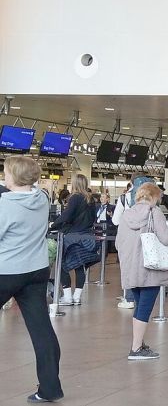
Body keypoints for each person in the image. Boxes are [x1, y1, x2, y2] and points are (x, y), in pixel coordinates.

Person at [0, 156, 64, 403]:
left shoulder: (5, 206)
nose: (4, 176)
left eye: (6, 172)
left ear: (14, 176)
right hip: (37, 270)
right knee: (41, 329)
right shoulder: (41, 198)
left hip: (7, 271)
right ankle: (49, 389)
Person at [116, 182, 168, 360]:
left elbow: (117, 242)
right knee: (145, 308)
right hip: (150, 268)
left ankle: (138, 343)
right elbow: (166, 237)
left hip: (131, 268)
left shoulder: (127, 214)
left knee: (140, 307)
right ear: (153, 197)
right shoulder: (154, 212)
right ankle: (136, 349)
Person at [50, 173, 98, 306]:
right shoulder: (91, 199)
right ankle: (77, 297)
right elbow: (94, 218)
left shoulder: (75, 197)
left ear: (75, 184)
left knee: (62, 265)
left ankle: (67, 297)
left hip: (72, 238)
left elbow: (66, 216)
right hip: (87, 237)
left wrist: (52, 225)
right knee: (80, 267)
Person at [113, 176, 155, 309]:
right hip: (146, 237)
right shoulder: (151, 198)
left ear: (131, 183)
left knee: (128, 267)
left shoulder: (124, 198)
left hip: (128, 237)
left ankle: (129, 298)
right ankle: (141, 297)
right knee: (142, 267)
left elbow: (115, 220)